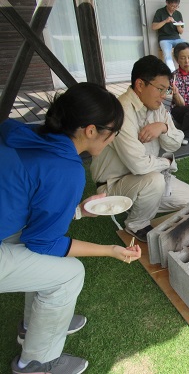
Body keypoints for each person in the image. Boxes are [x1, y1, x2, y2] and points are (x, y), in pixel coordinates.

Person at [0, 82, 141, 374]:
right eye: (112, 133)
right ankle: (35, 363)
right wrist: (110, 250)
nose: (112, 139)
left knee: (41, 258)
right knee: (69, 274)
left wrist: (76, 210)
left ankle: (34, 326)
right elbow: (44, 243)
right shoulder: (65, 168)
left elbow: (30, 205)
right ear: (91, 130)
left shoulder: (20, 132)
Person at [90, 55, 189, 242]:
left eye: (166, 90)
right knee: (154, 181)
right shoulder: (120, 111)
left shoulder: (157, 107)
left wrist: (163, 128)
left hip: (145, 177)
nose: (163, 96)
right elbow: (139, 165)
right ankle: (136, 223)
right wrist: (166, 162)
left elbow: (173, 143)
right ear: (140, 85)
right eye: (160, 89)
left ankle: (141, 202)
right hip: (113, 184)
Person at [152, 0, 189, 72]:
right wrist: (165, 21)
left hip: (177, 38)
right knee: (167, 54)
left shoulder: (178, 14)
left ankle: (186, 68)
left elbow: (181, 32)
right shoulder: (160, 12)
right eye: (172, 6)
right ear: (167, 3)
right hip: (164, 39)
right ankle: (172, 73)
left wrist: (178, 26)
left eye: (176, 6)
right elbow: (154, 27)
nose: (173, 8)